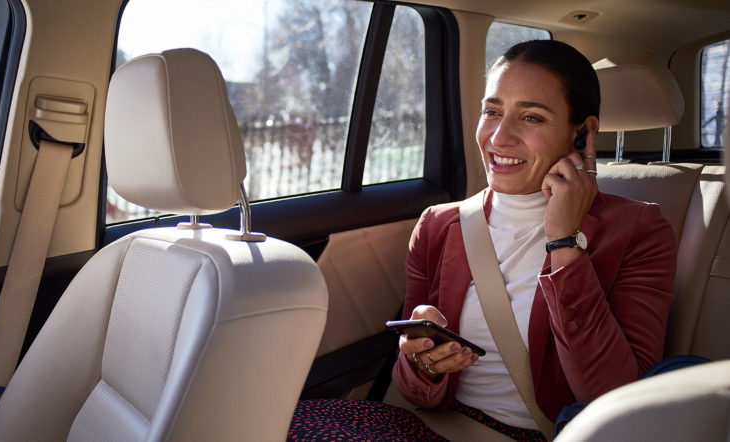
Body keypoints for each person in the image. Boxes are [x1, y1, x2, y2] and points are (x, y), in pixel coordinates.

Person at [288, 40, 676, 442]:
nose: (499, 136)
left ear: (582, 134)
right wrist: (427, 363)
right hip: (436, 426)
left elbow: (614, 398)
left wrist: (564, 242)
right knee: (280, 419)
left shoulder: (639, 230)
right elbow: (412, 391)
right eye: (492, 111)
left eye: (531, 117)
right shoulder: (438, 224)